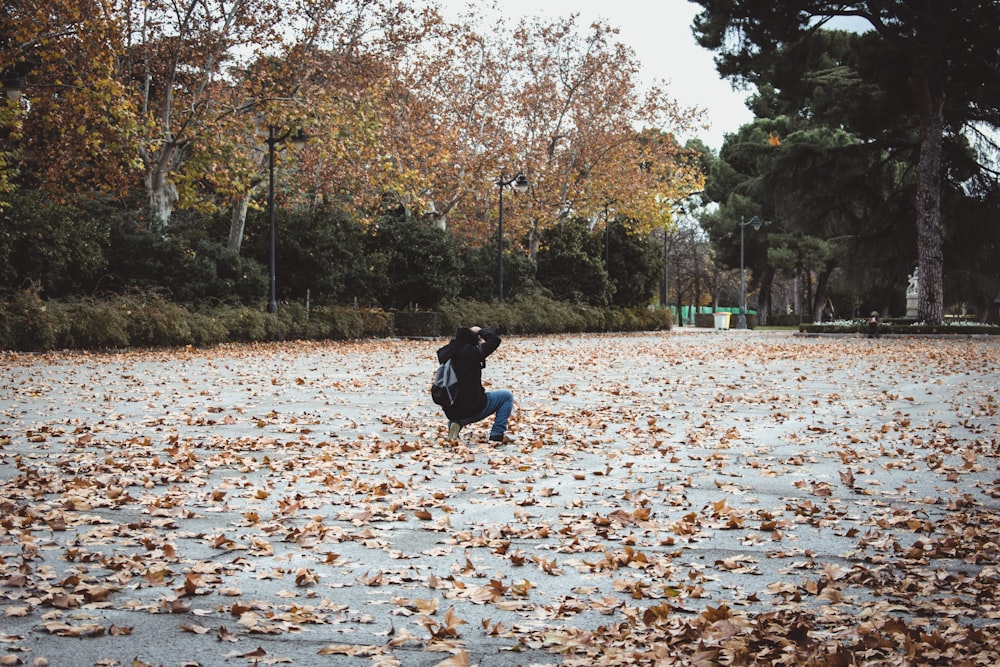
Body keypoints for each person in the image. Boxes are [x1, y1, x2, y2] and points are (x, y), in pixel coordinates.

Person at [436, 325, 514, 444]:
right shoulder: (473, 352)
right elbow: (495, 340)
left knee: (458, 405)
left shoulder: (446, 353)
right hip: (473, 407)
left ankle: (455, 424)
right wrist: (480, 330)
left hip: (451, 408)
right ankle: (496, 435)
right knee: (506, 396)